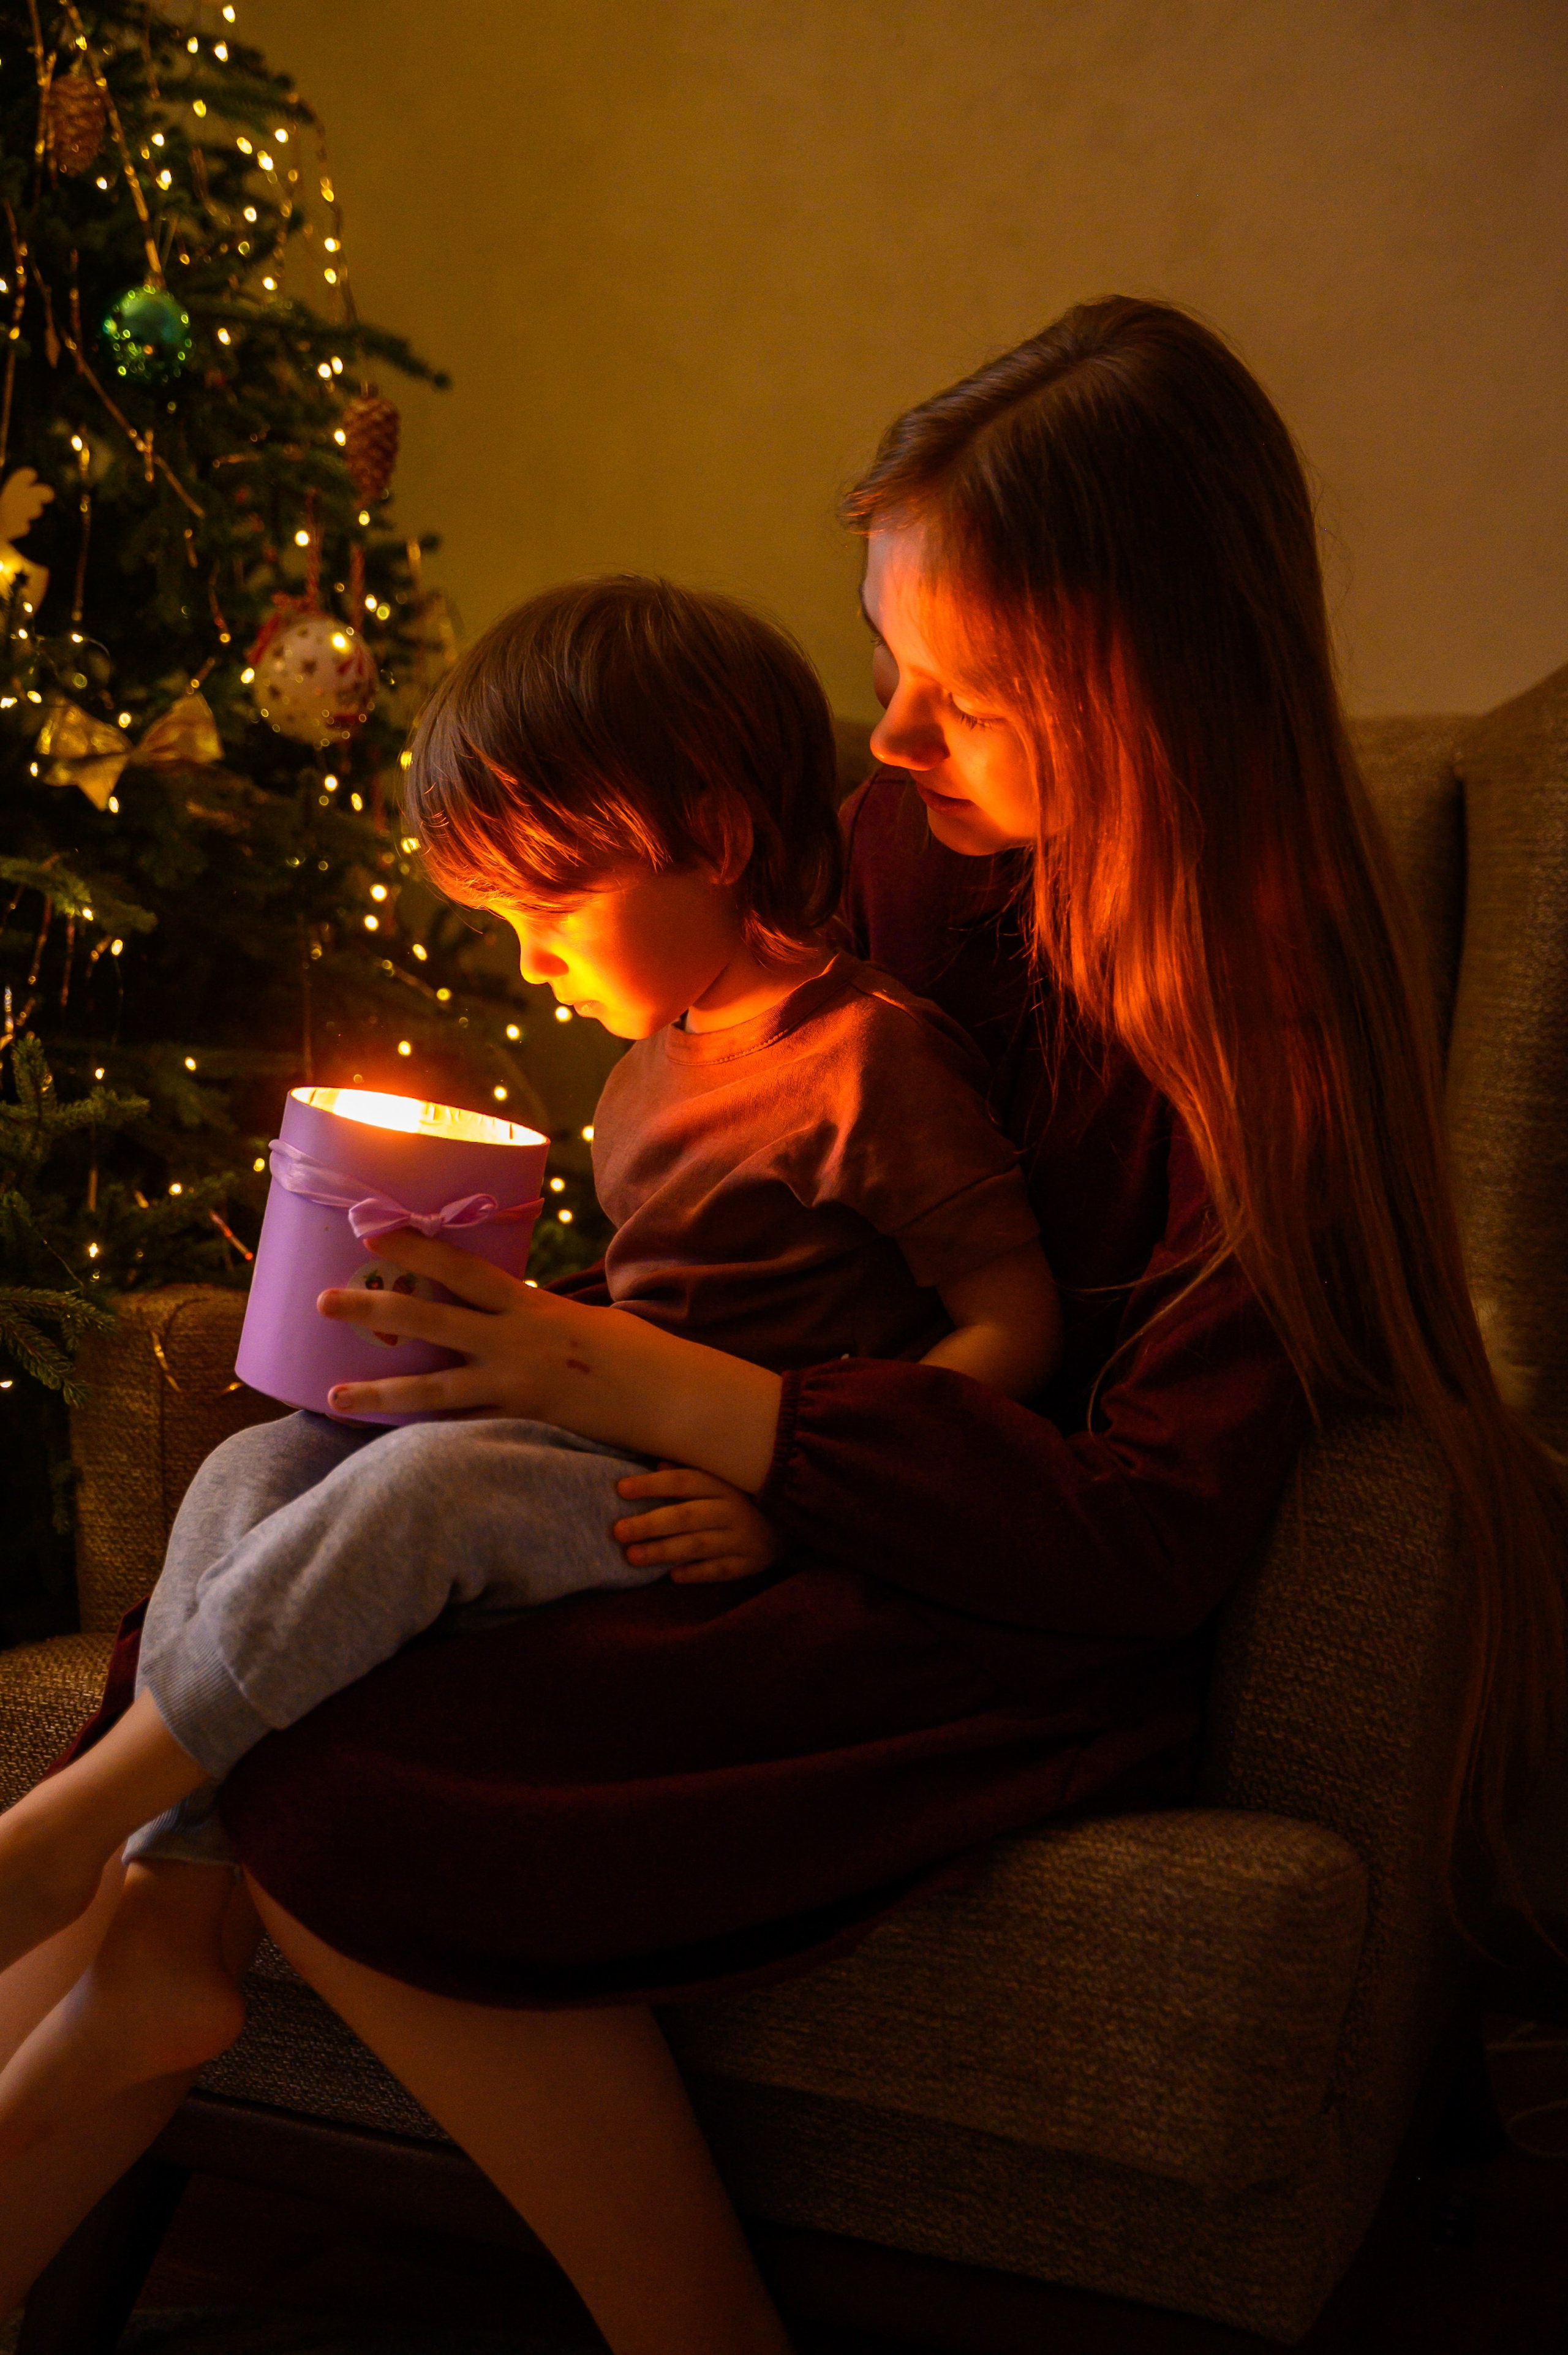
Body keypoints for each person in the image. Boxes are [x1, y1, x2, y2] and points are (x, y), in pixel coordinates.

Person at [2, 297, 1563, 2355]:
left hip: (969, 1595)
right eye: (888, 663)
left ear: (1147, 693)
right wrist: (521, 1331)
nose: (888, 745)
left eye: (964, 696)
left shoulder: (1271, 1043)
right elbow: (756, 1193)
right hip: (728, 1485)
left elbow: (1145, 1533)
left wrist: (686, 1411)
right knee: (288, 1509)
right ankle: (149, 1937)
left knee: (343, 1756)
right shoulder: (911, 854)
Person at [0, 579, 1061, 2107]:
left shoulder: (865, 1060)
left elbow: (1013, 1318)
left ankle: (71, 1824)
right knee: (259, 1461)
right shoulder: (649, 1065)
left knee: (421, 1495)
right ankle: (176, 1893)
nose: (530, 960)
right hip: (594, 1435)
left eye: (549, 909)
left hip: (709, 1501)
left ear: (713, 833)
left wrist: (805, 1488)